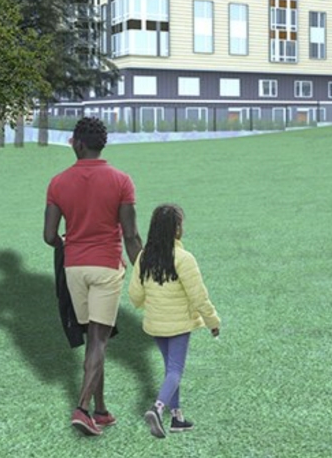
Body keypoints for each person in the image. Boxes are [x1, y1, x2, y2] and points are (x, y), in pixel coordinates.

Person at [44, 117, 142, 436]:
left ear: (78, 143)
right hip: (106, 266)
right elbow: (130, 235)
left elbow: (48, 236)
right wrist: (142, 270)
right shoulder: (122, 180)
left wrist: (66, 245)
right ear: (100, 144)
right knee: (99, 341)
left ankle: (100, 410)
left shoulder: (57, 182)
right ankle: (82, 408)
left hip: (75, 268)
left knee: (93, 341)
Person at [129, 204, 221, 439]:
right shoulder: (184, 258)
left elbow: (135, 296)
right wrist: (213, 321)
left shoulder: (143, 257)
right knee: (175, 369)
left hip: (156, 324)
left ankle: (177, 418)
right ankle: (158, 409)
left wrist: (148, 302)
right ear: (176, 228)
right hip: (179, 324)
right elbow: (199, 297)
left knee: (171, 369)